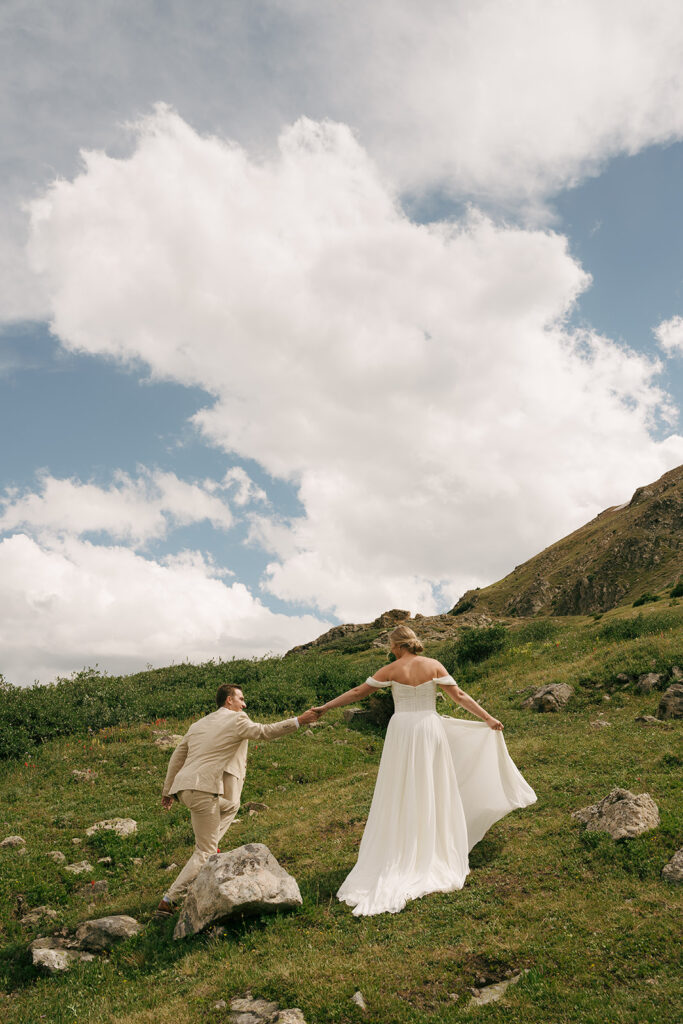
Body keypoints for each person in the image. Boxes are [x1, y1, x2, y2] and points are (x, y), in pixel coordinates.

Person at [312, 624, 536, 916]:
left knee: (400, 786)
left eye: (391, 645)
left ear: (397, 645)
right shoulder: (433, 666)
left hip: (402, 731)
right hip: (429, 728)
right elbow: (460, 696)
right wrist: (489, 718)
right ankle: (431, 845)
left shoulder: (390, 670)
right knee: (433, 783)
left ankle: (403, 846)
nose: (390, 649)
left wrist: (325, 708)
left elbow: (357, 693)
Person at [155, 683, 320, 918]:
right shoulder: (237, 719)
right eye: (241, 699)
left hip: (185, 789)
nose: (245, 704)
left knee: (232, 805)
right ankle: (170, 899)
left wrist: (167, 790)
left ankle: (211, 851)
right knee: (204, 851)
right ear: (229, 701)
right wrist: (299, 721)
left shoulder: (198, 724)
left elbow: (177, 756)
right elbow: (265, 732)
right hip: (204, 790)